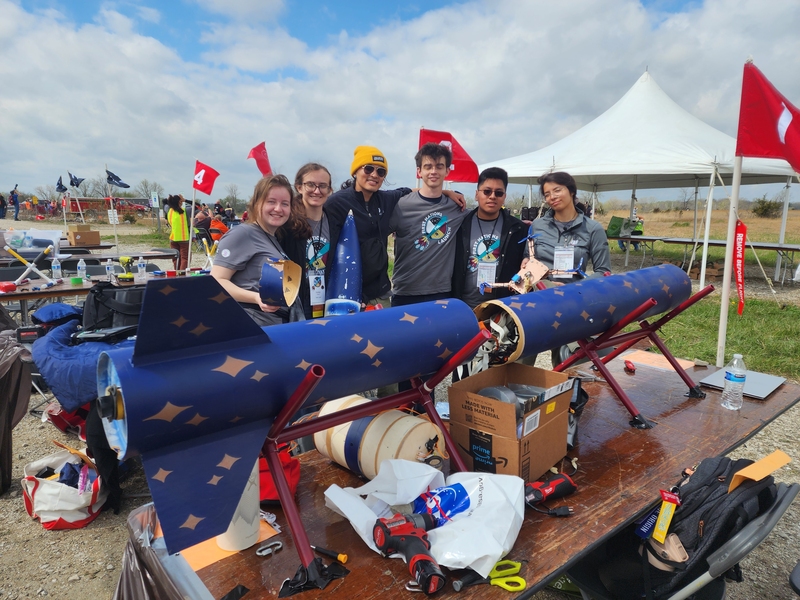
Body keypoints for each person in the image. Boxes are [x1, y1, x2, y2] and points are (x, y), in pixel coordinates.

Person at [211, 174, 309, 326]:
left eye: (285, 204)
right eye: (271, 202)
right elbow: (216, 282)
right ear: (257, 203)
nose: (278, 209)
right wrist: (256, 297)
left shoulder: (272, 238)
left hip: (274, 326)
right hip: (252, 325)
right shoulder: (243, 234)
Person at [389, 142, 468, 306]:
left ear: (447, 171)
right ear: (419, 171)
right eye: (428, 166)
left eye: (439, 166)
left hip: (442, 292)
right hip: (405, 292)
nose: (433, 171)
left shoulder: (456, 208)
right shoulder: (401, 206)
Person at [452, 167, 527, 308]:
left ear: (504, 197)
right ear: (476, 194)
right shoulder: (460, 224)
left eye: (498, 193)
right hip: (464, 306)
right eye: (487, 191)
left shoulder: (517, 229)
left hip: (502, 307)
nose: (492, 196)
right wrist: (448, 192)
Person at [526, 171, 611, 284]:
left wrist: (572, 288)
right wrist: (526, 261)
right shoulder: (537, 226)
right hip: (540, 292)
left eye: (557, 190)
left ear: (571, 191)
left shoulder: (593, 229)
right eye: (547, 194)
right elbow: (527, 257)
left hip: (574, 293)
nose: (552, 197)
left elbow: (603, 272)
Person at [284, 163, 333, 319]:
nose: (317, 191)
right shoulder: (287, 224)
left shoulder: (335, 223)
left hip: (324, 299)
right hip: (295, 302)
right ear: (299, 187)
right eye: (310, 184)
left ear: (330, 190)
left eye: (323, 186)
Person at [165, 195, 190, 270]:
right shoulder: (184, 211)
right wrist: (185, 200)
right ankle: (182, 274)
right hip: (183, 238)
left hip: (173, 237)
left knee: (176, 258)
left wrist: (170, 199)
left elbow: (166, 203)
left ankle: (176, 272)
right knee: (184, 258)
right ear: (180, 202)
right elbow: (196, 206)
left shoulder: (169, 211)